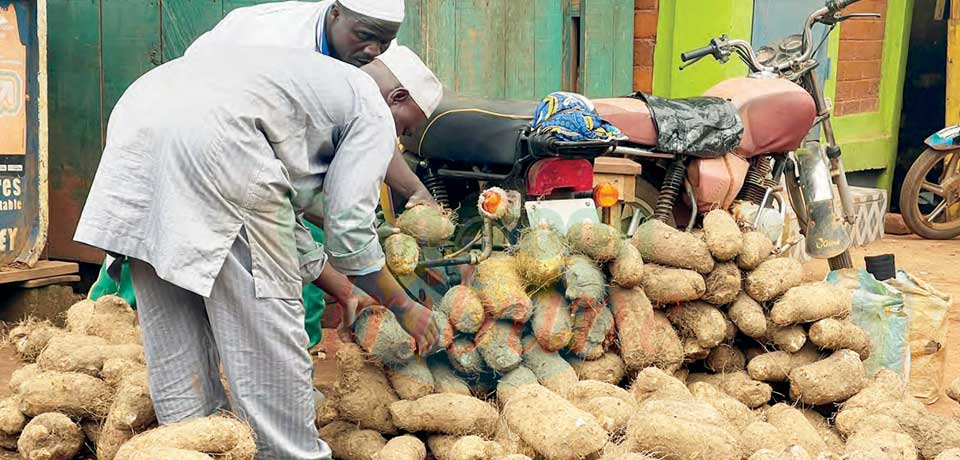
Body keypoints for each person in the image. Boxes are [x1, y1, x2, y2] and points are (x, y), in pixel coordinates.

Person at [74, 45, 443, 460]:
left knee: (172, 329)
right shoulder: (369, 106)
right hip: (215, 141)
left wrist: (350, 293)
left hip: (140, 122)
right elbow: (350, 232)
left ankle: (192, 446)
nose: (399, 140)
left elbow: (277, 212)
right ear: (397, 99)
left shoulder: (306, 78)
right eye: (406, 128)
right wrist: (404, 307)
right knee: (268, 332)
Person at [87, 0, 435, 349]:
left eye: (384, 45)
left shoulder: (354, 66)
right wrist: (403, 307)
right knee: (151, 256)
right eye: (404, 128)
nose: (373, 50)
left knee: (273, 278)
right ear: (336, 14)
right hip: (194, 142)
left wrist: (415, 191)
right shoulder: (280, 41)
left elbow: (358, 149)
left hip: (227, 154)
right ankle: (99, 335)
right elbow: (340, 219)